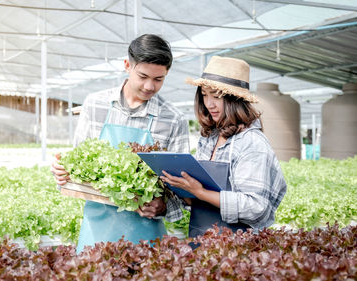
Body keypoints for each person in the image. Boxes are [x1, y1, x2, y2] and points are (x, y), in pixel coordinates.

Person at [51, 34, 190, 252]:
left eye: (158, 79)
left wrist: (162, 206)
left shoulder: (174, 120)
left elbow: (182, 192)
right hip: (96, 232)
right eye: (143, 76)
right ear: (127, 65)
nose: (149, 86)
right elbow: (76, 167)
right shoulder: (95, 105)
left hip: (147, 236)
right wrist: (62, 171)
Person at [160, 56, 287, 241]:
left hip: (238, 248)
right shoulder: (209, 138)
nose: (209, 104)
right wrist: (183, 188)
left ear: (236, 99)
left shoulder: (252, 142)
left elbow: (256, 207)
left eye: (216, 96)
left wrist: (200, 192)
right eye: (204, 95)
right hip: (200, 240)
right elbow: (198, 199)